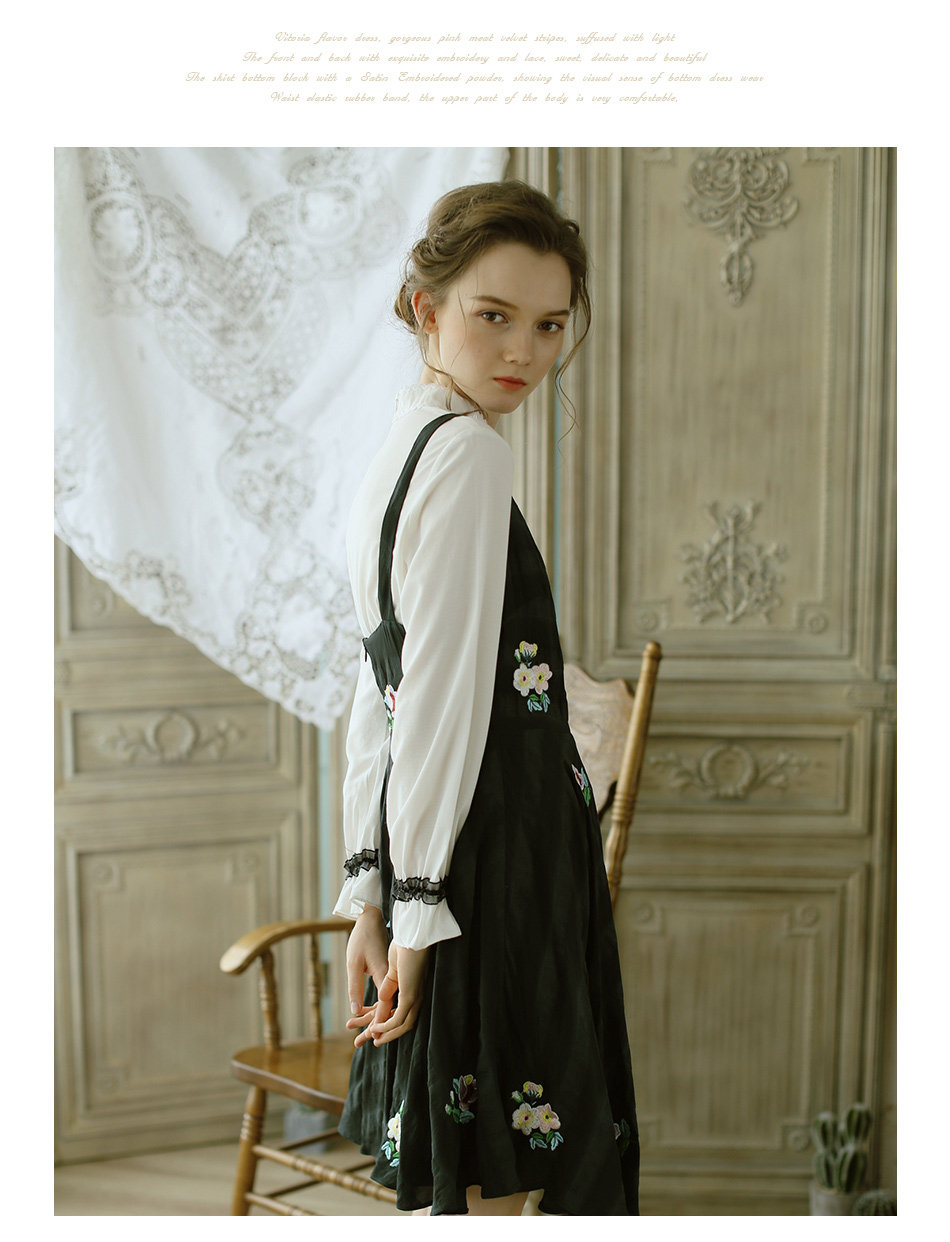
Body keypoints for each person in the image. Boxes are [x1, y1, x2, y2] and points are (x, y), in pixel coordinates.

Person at [333, 180, 639, 1216]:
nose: (525, 352)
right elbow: (427, 703)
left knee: (466, 1175)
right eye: (494, 315)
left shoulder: (400, 445)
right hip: (490, 857)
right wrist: (413, 913)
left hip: (444, 855)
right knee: (499, 1182)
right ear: (427, 308)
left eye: (549, 325)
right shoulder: (465, 453)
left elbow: (376, 693)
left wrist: (370, 890)